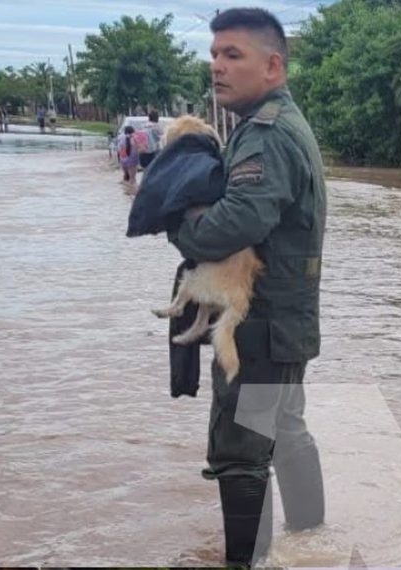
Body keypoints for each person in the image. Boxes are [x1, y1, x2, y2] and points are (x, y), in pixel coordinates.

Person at [167, 7, 327, 565]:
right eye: (214, 54)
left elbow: (234, 226)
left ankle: (247, 563)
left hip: (257, 327)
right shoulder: (281, 123)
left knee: (240, 453)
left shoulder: (266, 135)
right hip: (284, 323)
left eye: (233, 55)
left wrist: (176, 223)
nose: (217, 66)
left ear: (273, 65)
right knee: (285, 432)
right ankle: (311, 542)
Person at [118, 125, 140, 190]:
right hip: (133, 158)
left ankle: (126, 187)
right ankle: (131, 188)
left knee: (125, 174)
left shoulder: (121, 137)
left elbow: (119, 148)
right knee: (133, 177)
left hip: (124, 157)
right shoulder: (135, 137)